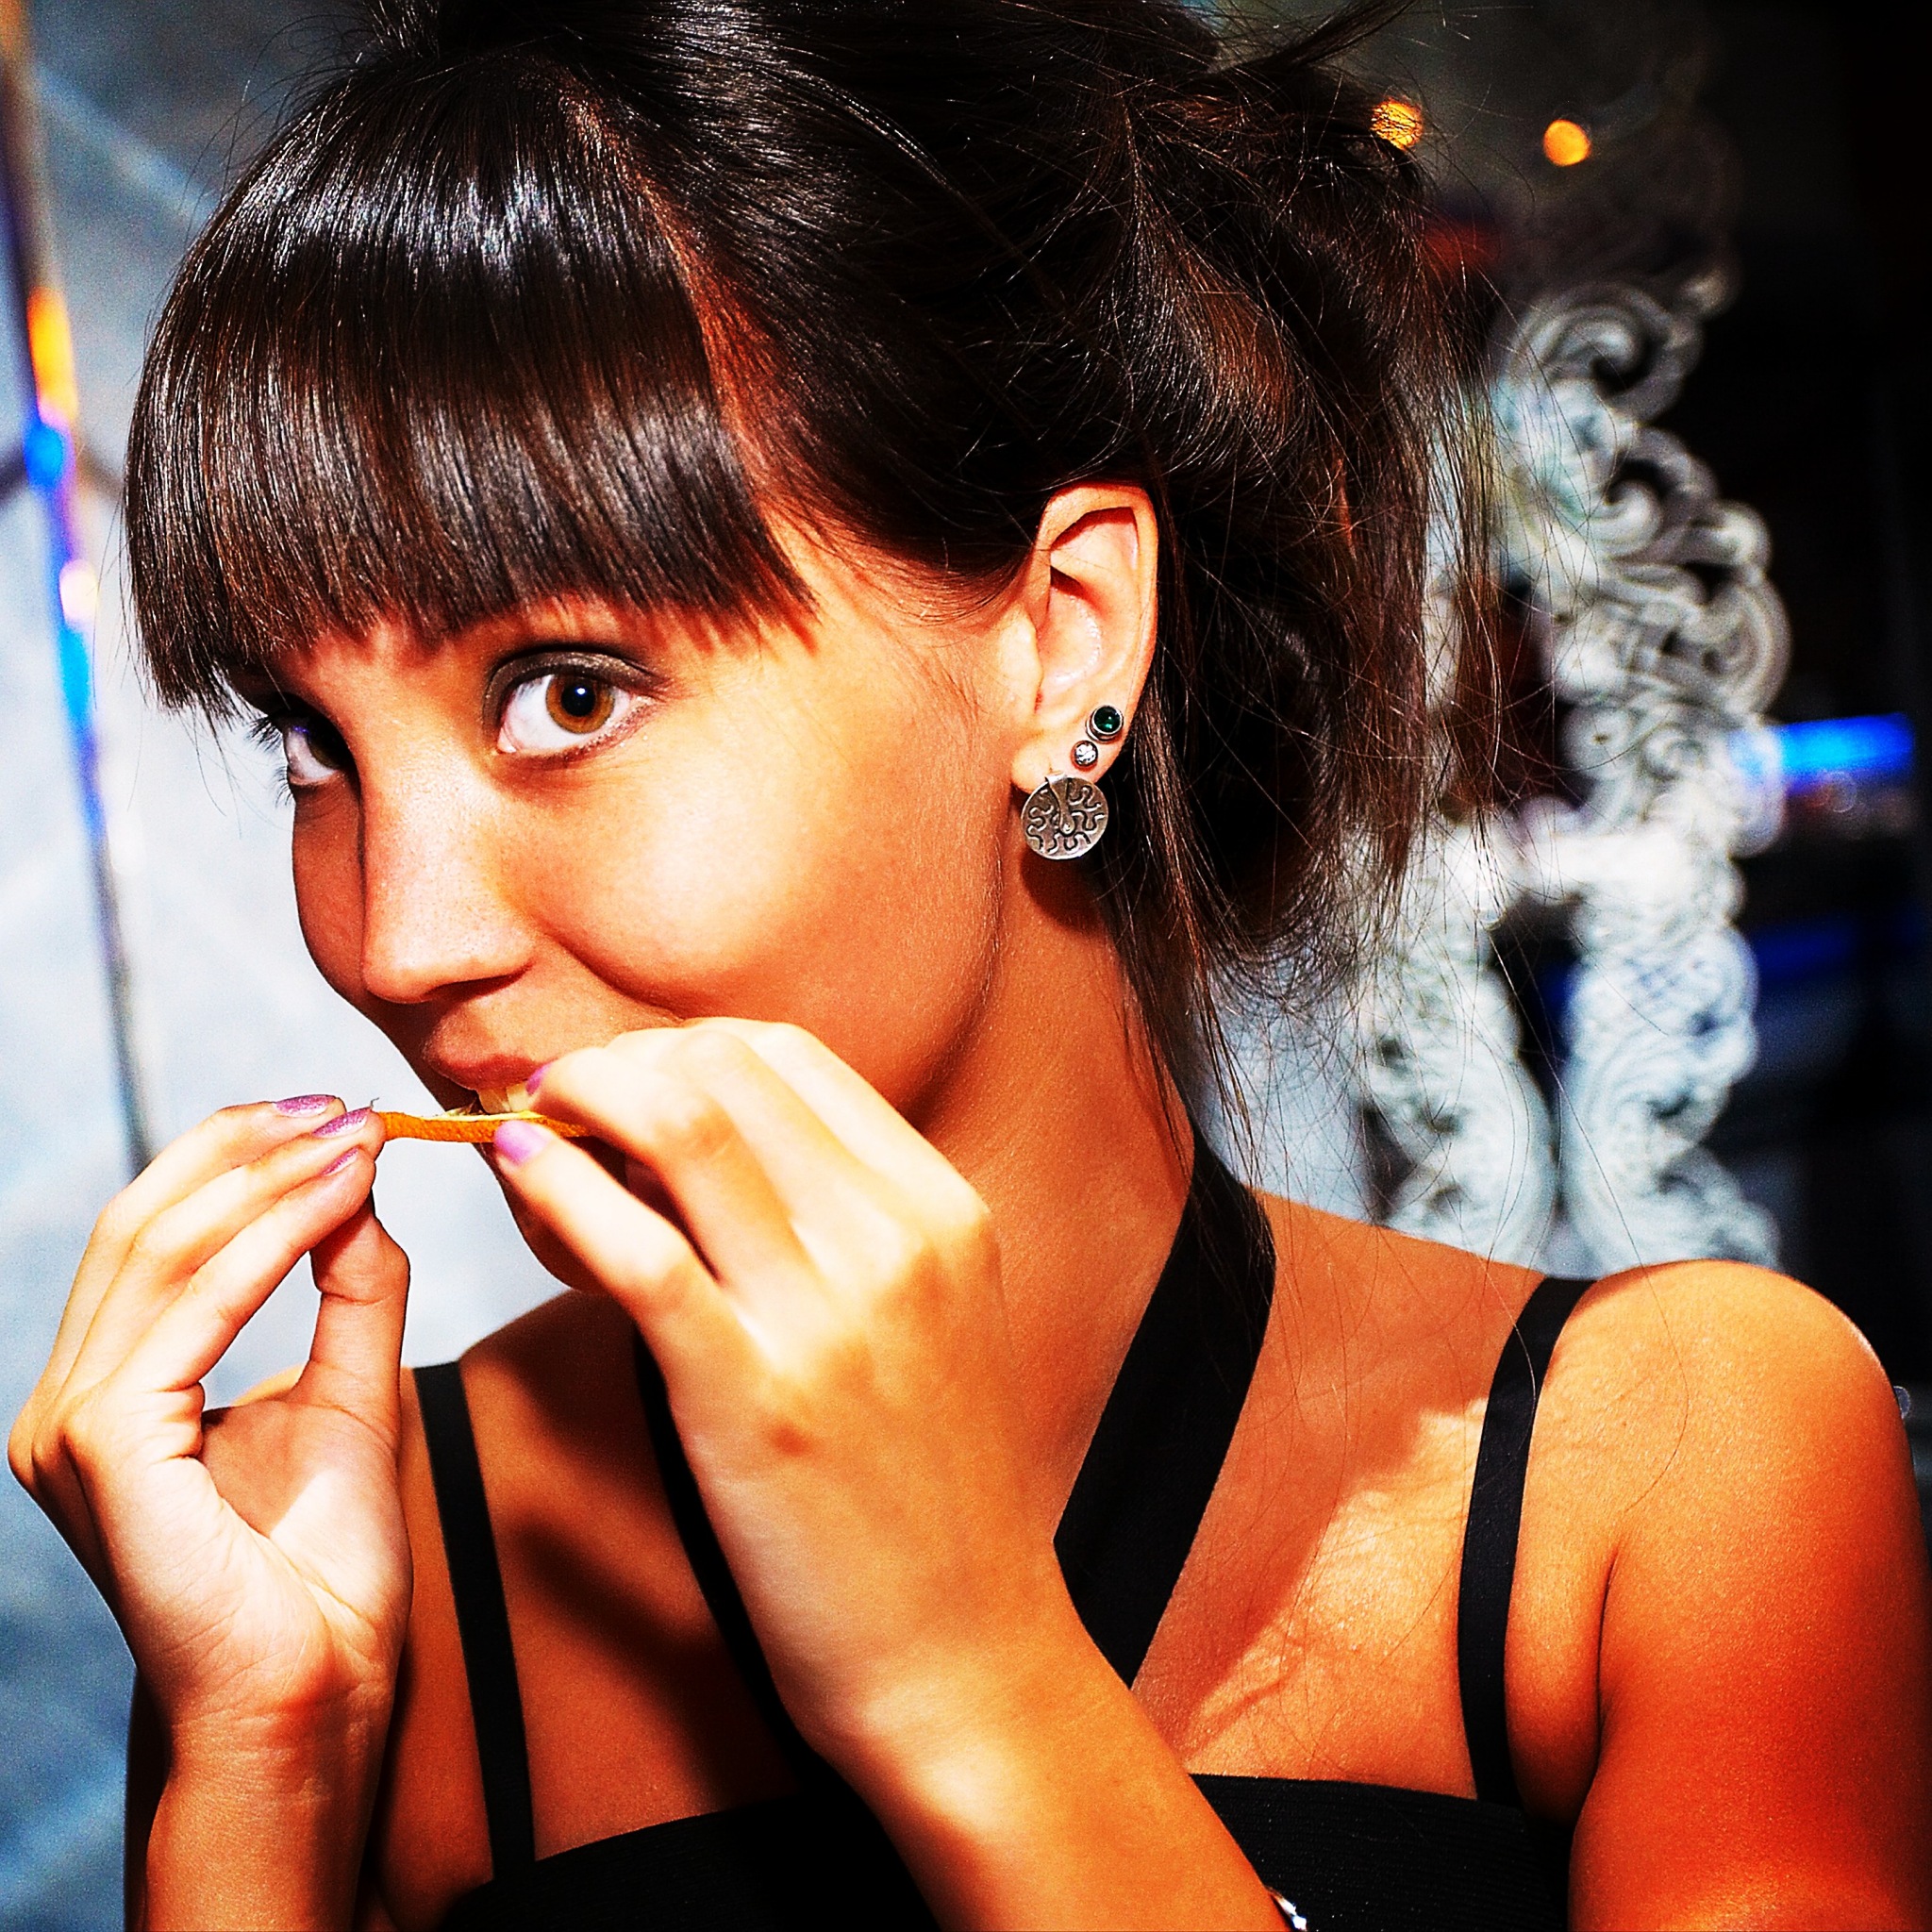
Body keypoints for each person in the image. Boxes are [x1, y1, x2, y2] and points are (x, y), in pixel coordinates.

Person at [12, 1, 1931, 1925]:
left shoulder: (1671, 1469)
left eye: (569, 693)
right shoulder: (358, 1573)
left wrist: (968, 1675)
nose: (400, 938)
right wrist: (257, 1774)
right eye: (312, 748)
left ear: (1063, 635)